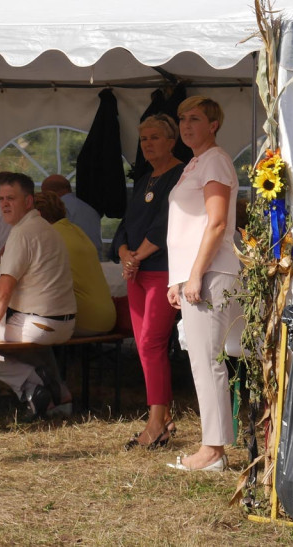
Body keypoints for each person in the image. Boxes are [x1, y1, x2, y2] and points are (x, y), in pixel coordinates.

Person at [0, 173, 76, 420]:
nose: (4, 204)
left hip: (39, 325)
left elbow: (3, 289)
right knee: (25, 342)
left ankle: (33, 384)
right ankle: (59, 394)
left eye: (11, 198)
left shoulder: (22, 233)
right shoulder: (48, 228)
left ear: (29, 201)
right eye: (1, 199)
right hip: (65, 324)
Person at [165, 96, 243, 472]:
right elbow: (188, 226)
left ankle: (213, 450)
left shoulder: (214, 160)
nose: (186, 124)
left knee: (207, 361)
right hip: (199, 272)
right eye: (182, 118)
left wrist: (194, 274)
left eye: (194, 118)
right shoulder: (197, 162)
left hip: (212, 272)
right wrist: (178, 277)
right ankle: (213, 446)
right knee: (203, 358)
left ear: (213, 124)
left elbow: (216, 222)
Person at [114, 114, 185, 450]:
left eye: (155, 137)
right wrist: (125, 254)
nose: (148, 144)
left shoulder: (180, 175)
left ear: (172, 141)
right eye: (144, 139)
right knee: (144, 346)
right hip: (138, 272)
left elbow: (167, 225)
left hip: (162, 271)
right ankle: (163, 417)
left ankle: (156, 424)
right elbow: (125, 225)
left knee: (152, 344)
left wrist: (136, 257)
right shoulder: (144, 179)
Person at [34, 192, 114, 337]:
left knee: (19, 321)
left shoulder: (48, 236)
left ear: (37, 215)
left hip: (83, 320)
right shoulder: (76, 230)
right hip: (108, 318)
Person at [41, 174, 103, 256]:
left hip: (72, 259)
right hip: (95, 260)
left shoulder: (58, 209)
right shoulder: (91, 210)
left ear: (49, 192)